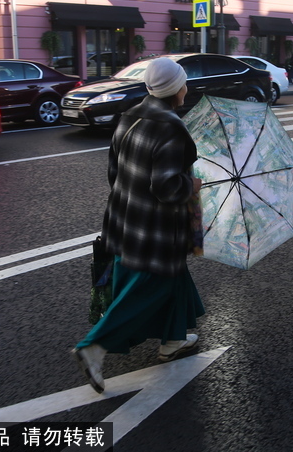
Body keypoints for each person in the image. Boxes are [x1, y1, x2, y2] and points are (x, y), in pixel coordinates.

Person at [72, 57, 204, 394]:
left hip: (123, 218)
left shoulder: (129, 116)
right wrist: (193, 186)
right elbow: (166, 188)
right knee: (148, 287)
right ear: (176, 89)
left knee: (171, 277)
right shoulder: (172, 128)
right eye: (184, 83)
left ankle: (173, 341)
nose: (186, 88)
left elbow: (113, 173)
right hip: (156, 230)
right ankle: (94, 345)